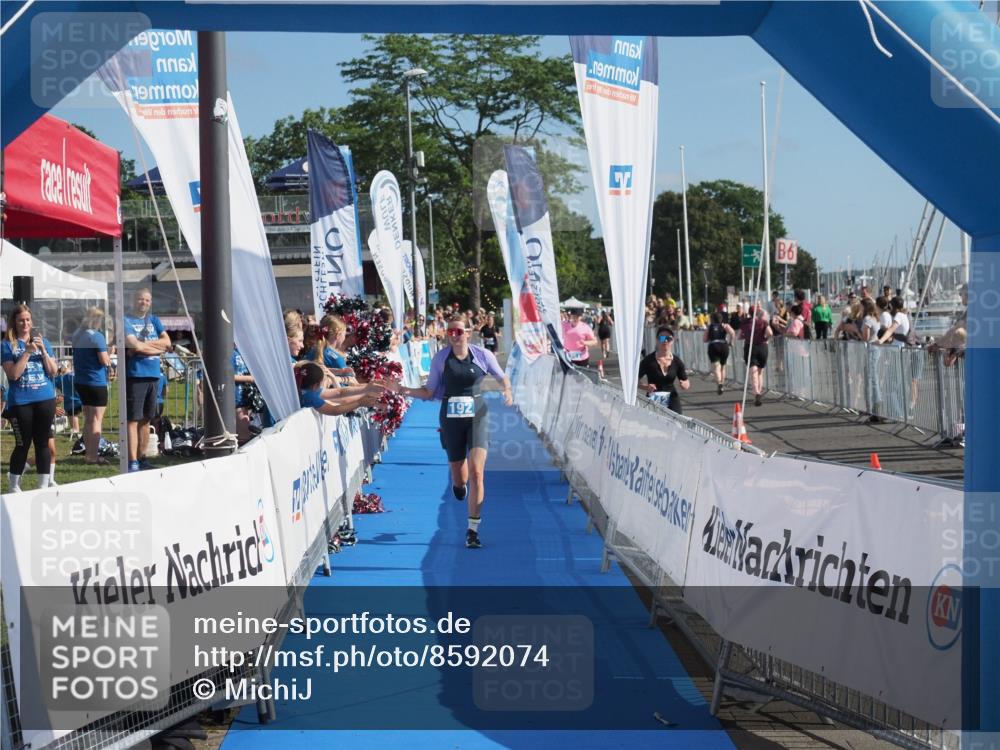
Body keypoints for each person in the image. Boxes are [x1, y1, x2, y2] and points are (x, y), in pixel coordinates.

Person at [397, 314, 513, 549]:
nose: (454, 335)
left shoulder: (482, 355)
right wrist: (402, 390)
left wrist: (507, 391)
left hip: (478, 416)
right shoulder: (441, 359)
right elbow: (429, 392)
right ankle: (459, 487)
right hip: (451, 418)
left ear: (468, 333)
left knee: (477, 473)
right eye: (450, 331)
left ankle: (472, 530)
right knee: (460, 478)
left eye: (458, 331)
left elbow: (503, 378)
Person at [2, 304, 58, 491]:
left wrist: (42, 351)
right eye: (21, 320)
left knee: (42, 443)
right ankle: (14, 485)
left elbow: (53, 371)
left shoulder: (44, 342)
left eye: (28, 319)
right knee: (22, 444)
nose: (25, 323)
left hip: (45, 398)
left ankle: (43, 485)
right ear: (15, 322)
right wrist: (27, 352)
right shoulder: (7, 345)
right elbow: (13, 374)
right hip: (21, 402)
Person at [123, 288, 171, 472]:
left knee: (146, 419)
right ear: (134, 300)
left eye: (147, 300)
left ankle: (142, 458)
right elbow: (133, 344)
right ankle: (132, 461)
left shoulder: (154, 320)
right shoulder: (125, 320)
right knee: (133, 419)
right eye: (140, 299)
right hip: (136, 375)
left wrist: (144, 347)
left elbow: (167, 342)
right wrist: (146, 347)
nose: (143, 302)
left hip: (154, 375)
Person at [72, 307, 113, 464]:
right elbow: (104, 360)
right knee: (96, 420)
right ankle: (93, 456)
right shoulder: (97, 337)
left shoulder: (77, 335)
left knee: (88, 419)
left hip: (81, 381)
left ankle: (89, 453)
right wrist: (109, 355)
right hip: (95, 382)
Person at [295, 361, 382, 416]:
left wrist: (366, 389)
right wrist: (359, 402)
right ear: (315, 386)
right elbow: (334, 410)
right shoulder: (310, 396)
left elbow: (340, 392)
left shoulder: (295, 369)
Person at [638, 326, 690, 414]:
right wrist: (646, 387)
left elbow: (686, 381)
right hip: (655, 396)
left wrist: (684, 385)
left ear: (672, 341)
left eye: (668, 339)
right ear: (657, 340)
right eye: (662, 338)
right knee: (656, 425)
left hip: (672, 396)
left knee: (677, 422)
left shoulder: (677, 361)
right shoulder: (648, 360)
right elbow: (635, 380)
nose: (665, 341)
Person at [740, 306, 773, 406]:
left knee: (752, 372)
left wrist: (746, 336)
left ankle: (756, 393)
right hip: (763, 347)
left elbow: (739, 335)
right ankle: (759, 392)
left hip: (750, 347)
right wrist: (765, 338)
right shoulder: (763, 322)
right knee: (759, 372)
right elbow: (770, 333)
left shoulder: (745, 322)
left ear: (749, 313)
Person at [703, 312, 735, 395]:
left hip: (713, 346)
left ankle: (719, 384)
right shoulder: (725, 326)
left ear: (712, 319)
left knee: (716, 367)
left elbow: (705, 339)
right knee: (723, 367)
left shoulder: (710, 327)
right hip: (724, 345)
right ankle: (722, 385)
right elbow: (732, 333)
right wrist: (731, 342)